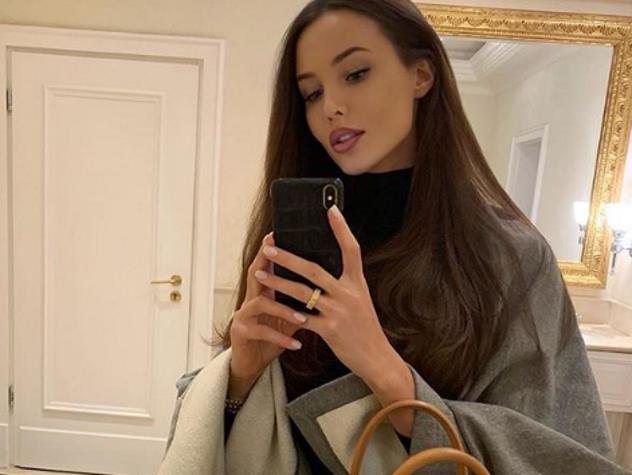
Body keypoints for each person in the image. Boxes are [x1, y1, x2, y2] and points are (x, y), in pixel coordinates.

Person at [158, 1, 631, 474]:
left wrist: (384, 369)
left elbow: (563, 455)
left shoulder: (509, 256)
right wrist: (239, 374)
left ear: (421, 75)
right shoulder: (295, 236)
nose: (330, 106)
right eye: (311, 93)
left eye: (356, 73)